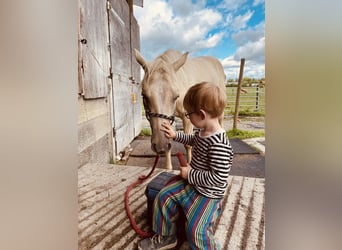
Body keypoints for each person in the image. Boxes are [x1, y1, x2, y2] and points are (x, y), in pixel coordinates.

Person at [138, 81, 233, 250]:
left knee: (196, 230)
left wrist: (189, 174)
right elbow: (193, 140)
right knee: (163, 196)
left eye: (189, 115)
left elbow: (217, 179)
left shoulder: (220, 144)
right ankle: (167, 237)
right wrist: (176, 135)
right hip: (192, 185)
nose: (187, 117)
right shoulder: (203, 131)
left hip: (208, 194)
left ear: (202, 115)